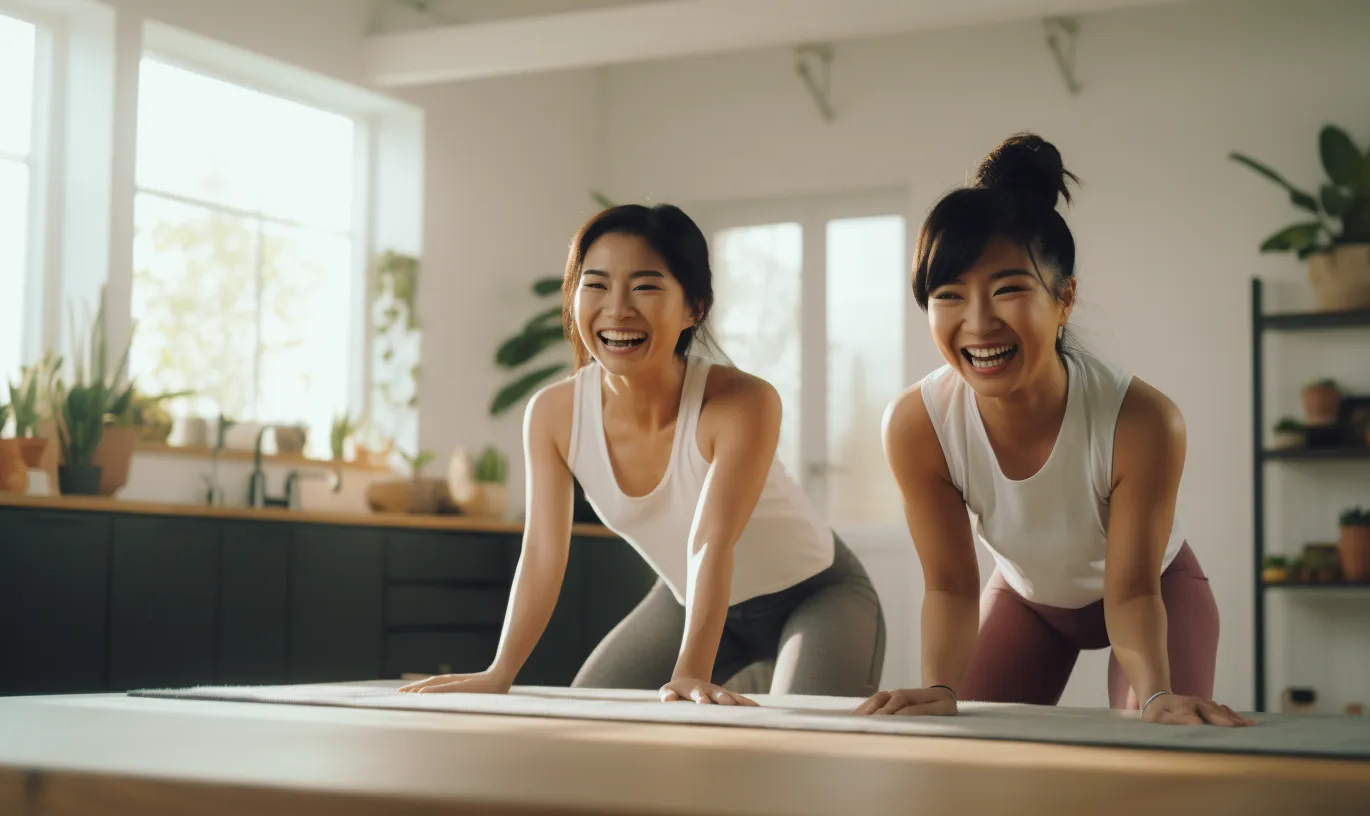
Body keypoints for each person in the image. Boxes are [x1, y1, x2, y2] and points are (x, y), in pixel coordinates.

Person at [400, 203, 885, 704]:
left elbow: (710, 542)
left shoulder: (742, 402)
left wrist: (691, 671)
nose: (617, 309)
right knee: (590, 720)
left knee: (803, 738)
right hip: (683, 598)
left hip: (815, 595)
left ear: (693, 308)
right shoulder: (554, 413)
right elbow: (544, 551)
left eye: (645, 286)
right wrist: (500, 671)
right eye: (596, 284)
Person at [853, 134, 1251, 727]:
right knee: (965, 756)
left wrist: (1156, 694)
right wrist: (939, 684)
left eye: (1008, 289)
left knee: (1163, 746)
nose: (978, 322)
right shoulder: (919, 424)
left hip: (1156, 591)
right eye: (949, 295)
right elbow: (952, 586)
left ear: (1064, 299)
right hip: (1027, 601)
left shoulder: (1142, 421)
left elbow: (1133, 590)